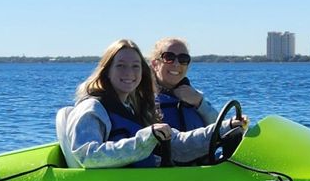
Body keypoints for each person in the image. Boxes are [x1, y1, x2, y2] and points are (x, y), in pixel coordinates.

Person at [56, 39, 240, 168]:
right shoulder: (92, 109)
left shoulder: (136, 109)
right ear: (107, 71)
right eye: (121, 65)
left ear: (142, 72)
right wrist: (143, 140)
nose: (129, 72)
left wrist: (226, 127)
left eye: (136, 66)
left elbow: (178, 146)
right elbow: (88, 156)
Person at [150, 36, 218, 131]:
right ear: (155, 64)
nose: (177, 64)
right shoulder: (143, 98)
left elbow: (219, 127)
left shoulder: (196, 97)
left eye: (183, 59)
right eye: (169, 57)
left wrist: (199, 103)